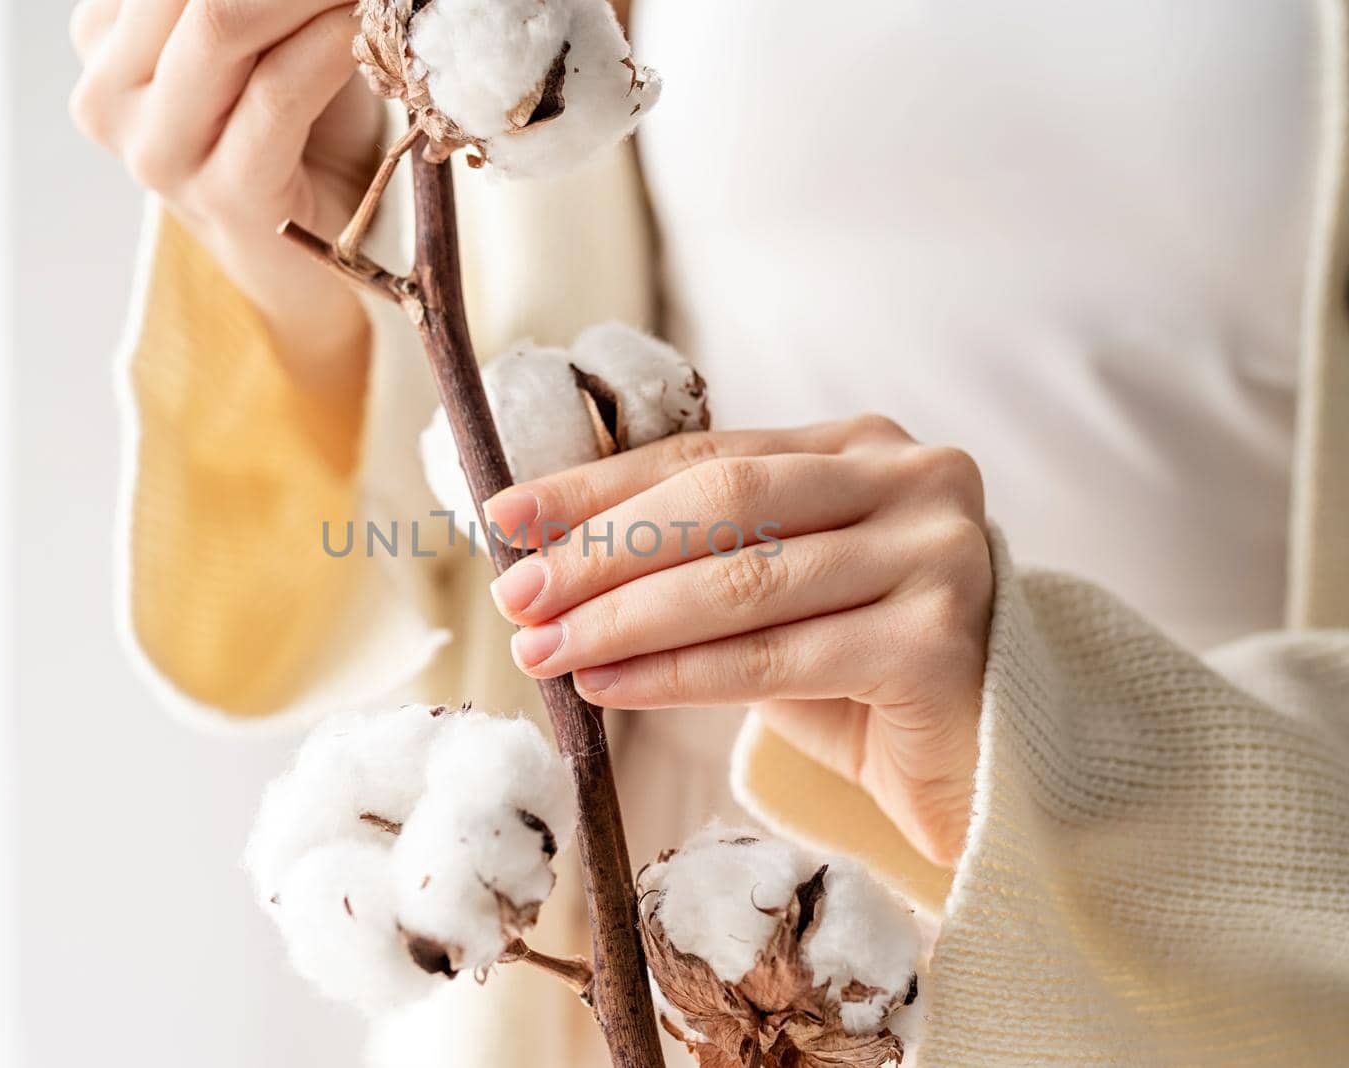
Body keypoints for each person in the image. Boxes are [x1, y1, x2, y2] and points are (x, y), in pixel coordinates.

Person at [69, 1, 1349, 1064]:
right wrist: (316, 260)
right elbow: (397, 548)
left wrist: (1081, 742)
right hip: (680, 940)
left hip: (1223, 960)